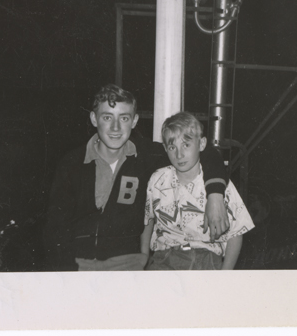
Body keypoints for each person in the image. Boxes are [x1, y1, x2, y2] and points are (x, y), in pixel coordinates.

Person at [43, 84, 229, 271]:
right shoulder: (72, 163)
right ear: (93, 119)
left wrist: (215, 196)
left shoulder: (147, 156)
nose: (115, 127)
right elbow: (56, 229)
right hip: (78, 264)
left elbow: (206, 153)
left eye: (124, 118)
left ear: (134, 121)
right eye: (107, 117)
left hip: (128, 265)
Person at [141, 112, 254, 270]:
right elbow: (148, 220)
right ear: (165, 149)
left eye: (186, 145)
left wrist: (225, 275)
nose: (179, 154)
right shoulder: (158, 179)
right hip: (164, 259)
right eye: (172, 147)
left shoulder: (219, 184)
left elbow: (236, 233)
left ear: (201, 144)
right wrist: (143, 260)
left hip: (205, 259)